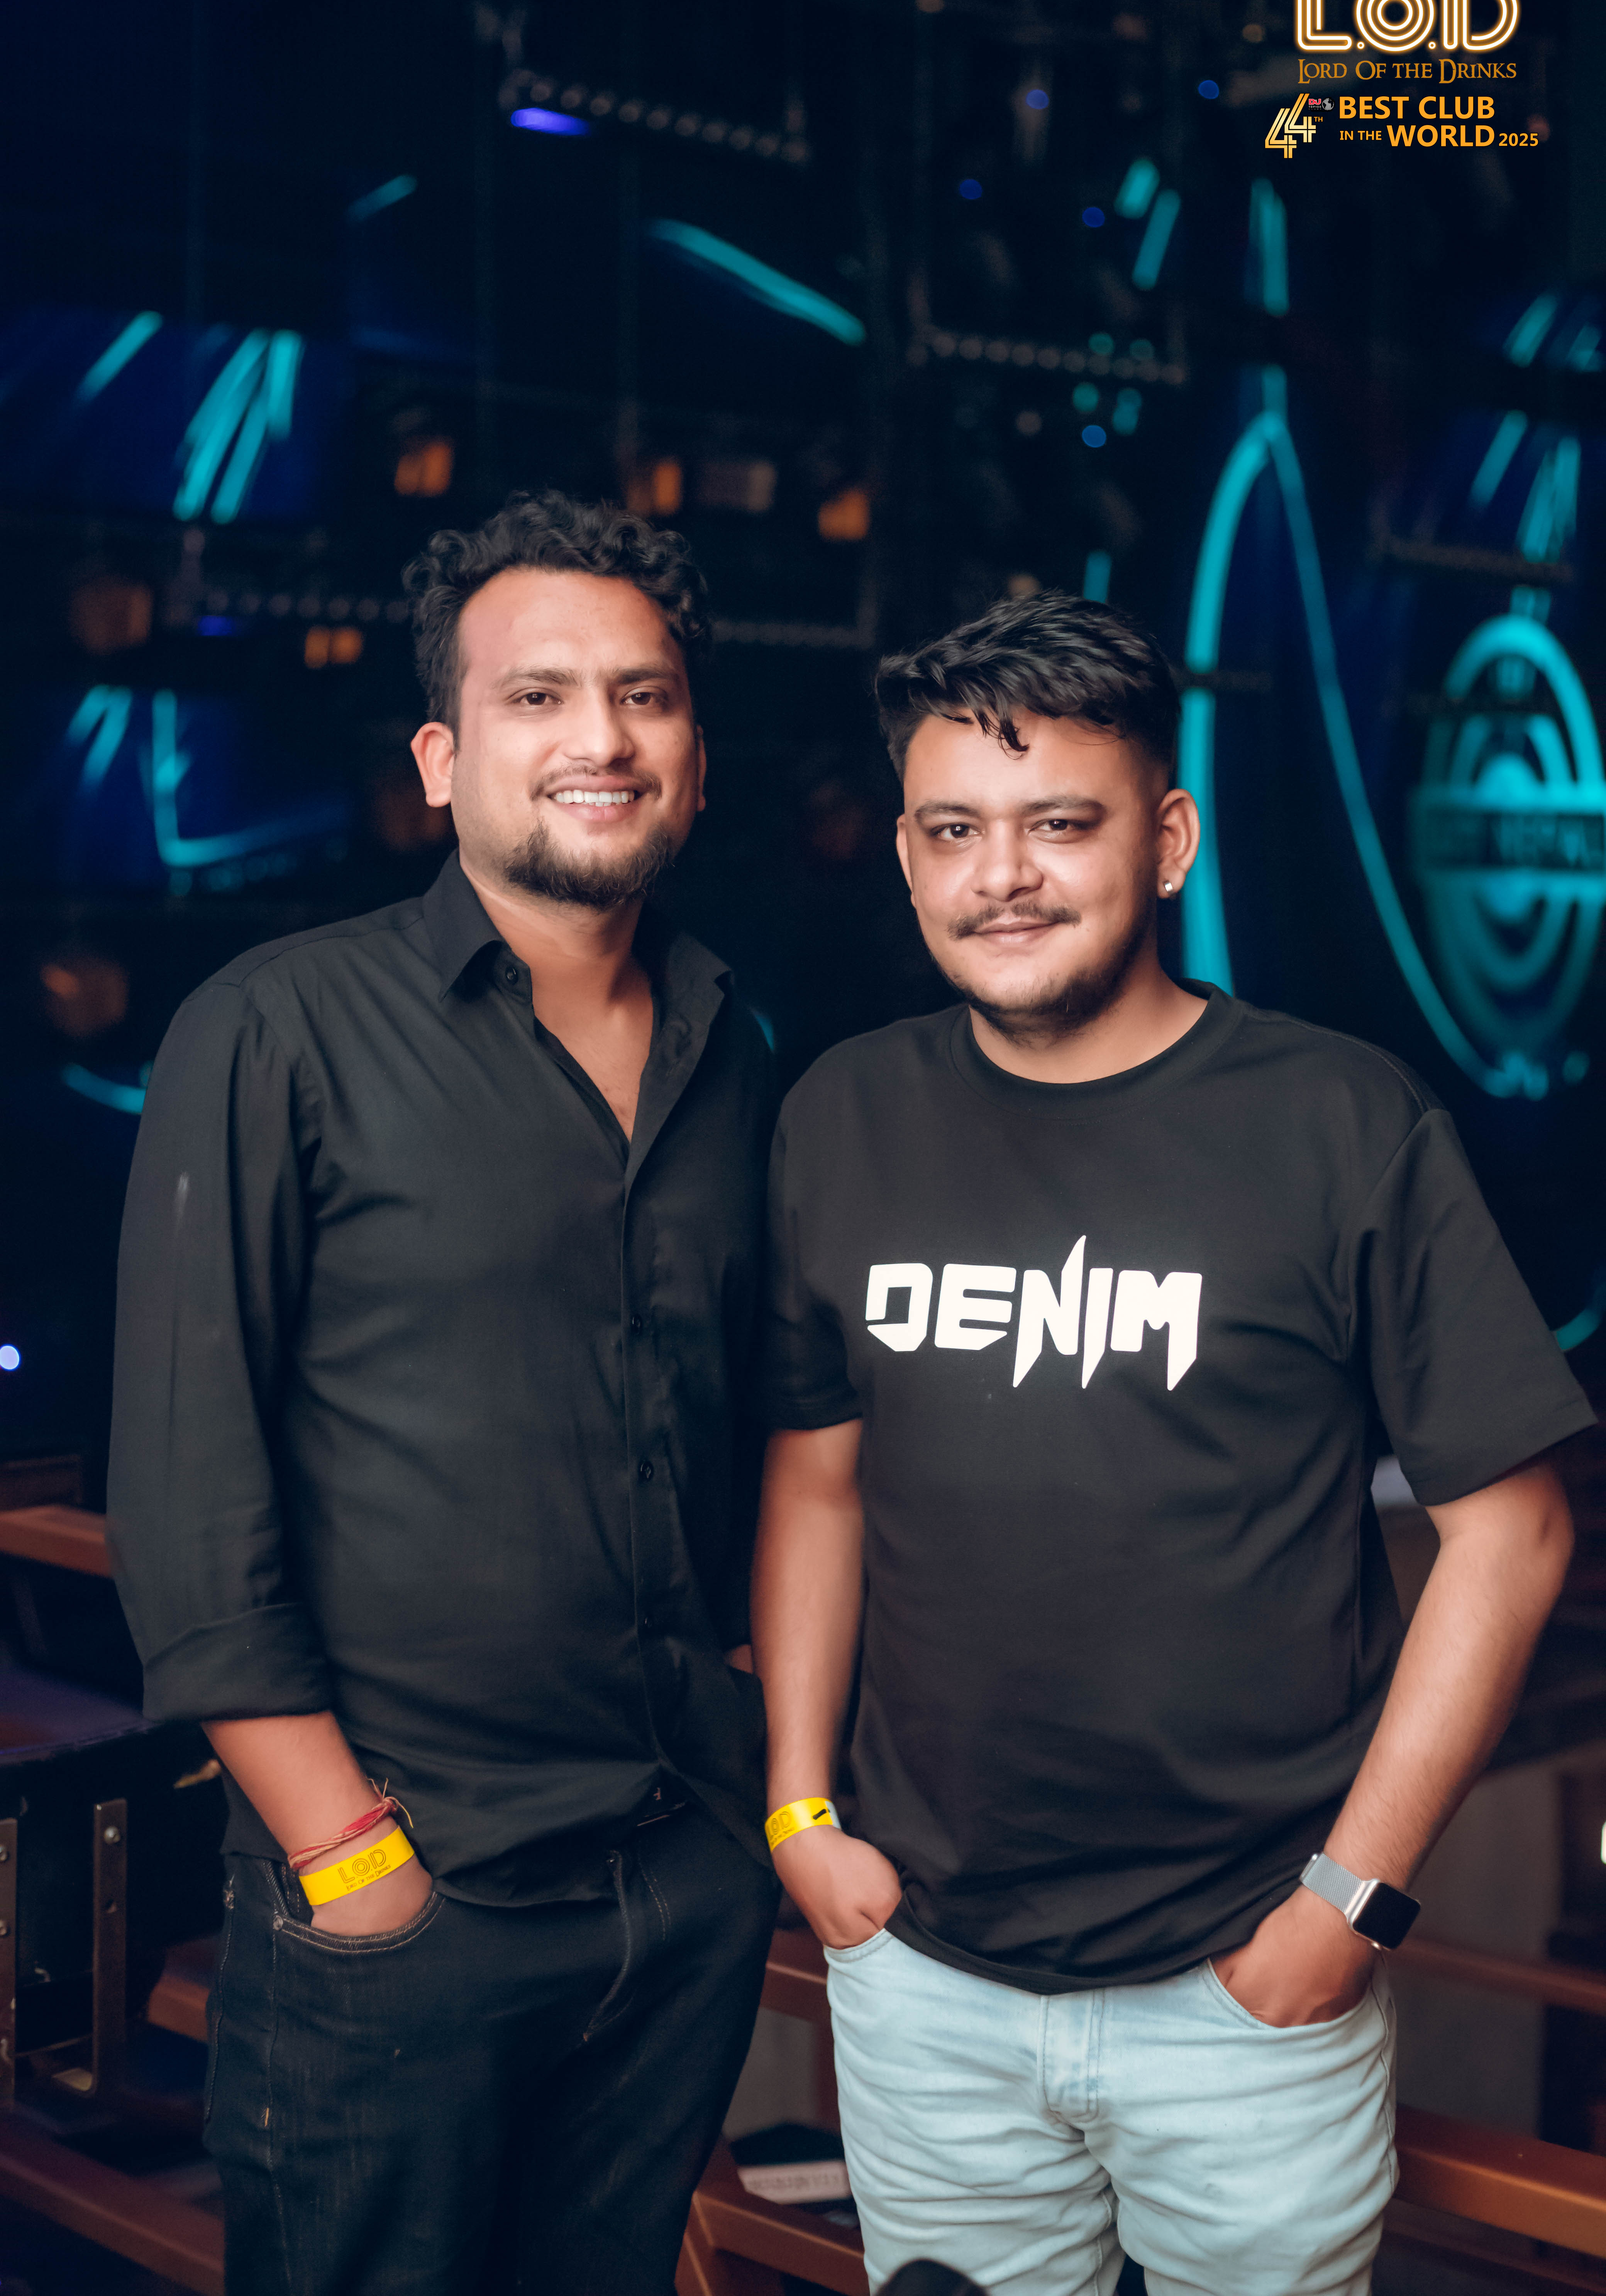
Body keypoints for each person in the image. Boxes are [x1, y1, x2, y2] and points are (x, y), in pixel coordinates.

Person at [751, 590, 1593, 2296]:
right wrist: (796, 1813)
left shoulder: (1337, 1120)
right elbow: (816, 1480)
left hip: (1245, 1989)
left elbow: (1511, 1533)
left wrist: (1346, 1909)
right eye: (952, 831)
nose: (1001, 875)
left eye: (1060, 824)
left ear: (1169, 841)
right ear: (905, 857)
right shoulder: (842, 1112)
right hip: (925, 1978)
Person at [108, 492, 779, 2296]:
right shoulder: (273, 1029)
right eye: (535, 697)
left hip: (678, 1880)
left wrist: (751, 1812)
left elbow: (746, 1441)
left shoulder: (734, 1050)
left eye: (642, 696)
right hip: (410, 1895)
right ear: (440, 759)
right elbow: (184, 1487)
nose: (597, 739)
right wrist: (351, 1864)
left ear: (694, 759)